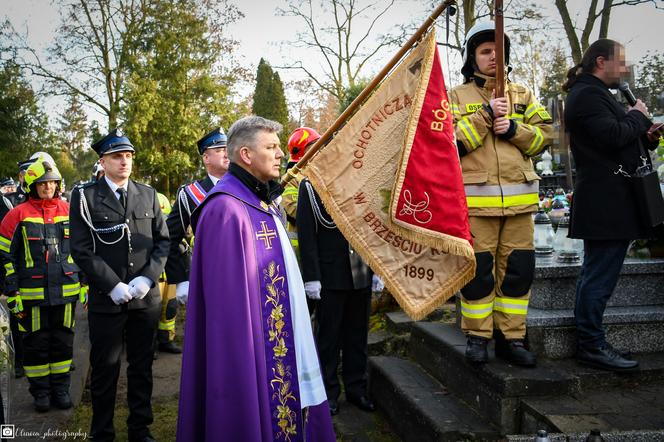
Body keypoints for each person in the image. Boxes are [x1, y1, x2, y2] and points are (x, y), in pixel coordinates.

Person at [177, 116, 335, 442]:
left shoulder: (260, 201)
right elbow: (227, 315)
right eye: (272, 147)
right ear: (246, 155)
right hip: (252, 352)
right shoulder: (225, 209)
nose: (280, 154)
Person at [449, 22, 553, 367]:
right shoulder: (454, 97)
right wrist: (485, 116)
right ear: (472, 59)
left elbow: (545, 137)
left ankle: (513, 338)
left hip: (521, 205)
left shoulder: (522, 95)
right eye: (485, 51)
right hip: (476, 207)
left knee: (519, 271)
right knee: (478, 274)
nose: (494, 56)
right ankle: (478, 337)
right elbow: (449, 145)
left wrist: (514, 129)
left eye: (498, 49)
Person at [563, 39, 662, 371]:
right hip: (606, 202)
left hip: (613, 201)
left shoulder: (596, 94)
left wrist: (645, 134)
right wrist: (637, 118)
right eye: (621, 63)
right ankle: (591, 345)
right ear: (601, 61)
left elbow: (616, 138)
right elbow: (610, 136)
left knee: (598, 273)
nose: (625, 69)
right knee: (599, 277)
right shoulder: (586, 96)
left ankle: (592, 342)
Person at [69, 129, 169, 442]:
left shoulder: (148, 194)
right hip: (106, 299)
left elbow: (163, 242)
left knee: (141, 368)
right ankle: (102, 432)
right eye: (117, 156)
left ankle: (140, 429)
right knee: (105, 369)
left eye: (128, 156)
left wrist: (147, 277)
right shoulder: (85, 197)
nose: (124, 161)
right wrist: (112, 285)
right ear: (103, 161)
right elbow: (81, 249)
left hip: (144, 299)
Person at [0, 155, 82, 412]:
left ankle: (61, 388)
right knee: (36, 345)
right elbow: (5, 257)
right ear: (32, 186)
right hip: (30, 295)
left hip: (67, 292)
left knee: (63, 341)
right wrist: (11, 291)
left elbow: (83, 251)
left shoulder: (70, 211)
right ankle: (41, 393)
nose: (48, 187)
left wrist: (87, 285)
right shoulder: (16, 215)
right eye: (43, 184)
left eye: (53, 183)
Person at [297, 176, 375, 416]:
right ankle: (329, 393)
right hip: (330, 276)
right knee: (328, 340)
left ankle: (356, 389)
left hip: (360, 271)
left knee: (357, 337)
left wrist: (379, 268)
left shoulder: (364, 177)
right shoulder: (311, 185)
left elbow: (374, 227)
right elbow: (307, 235)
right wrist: (312, 277)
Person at [161, 127, 229, 355]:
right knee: (212, 341)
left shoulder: (247, 187)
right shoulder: (191, 193)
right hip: (208, 278)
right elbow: (169, 238)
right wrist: (181, 278)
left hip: (246, 275)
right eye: (220, 150)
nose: (227, 153)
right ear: (206, 158)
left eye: (229, 148)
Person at [282, 127, 321, 262]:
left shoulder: (320, 172)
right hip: (301, 251)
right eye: (314, 146)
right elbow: (294, 210)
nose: (320, 149)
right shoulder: (291, 178)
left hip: (322, 245)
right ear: (303, 151)